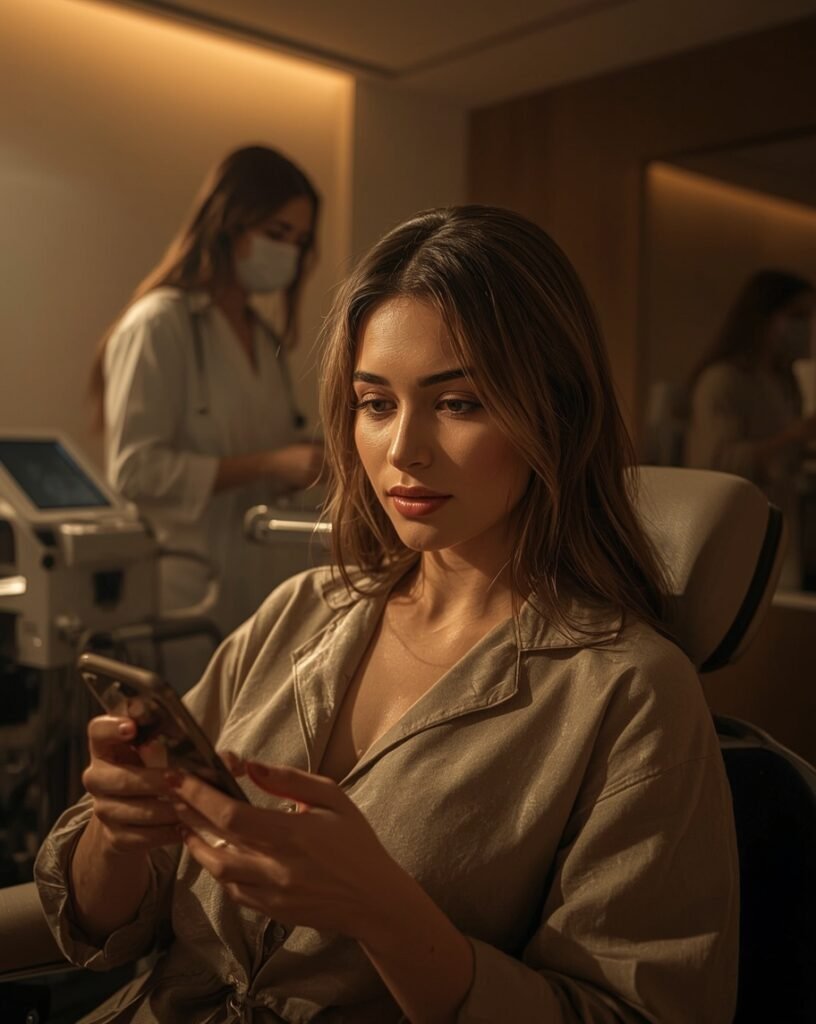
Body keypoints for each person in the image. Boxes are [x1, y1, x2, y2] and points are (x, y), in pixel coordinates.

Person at [37, 206, 739, 1022]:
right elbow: (102, 922)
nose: (404, 449)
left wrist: (382, 913)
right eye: (376, 404)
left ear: (557, 410)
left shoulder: (631, 694)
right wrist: (120, 836)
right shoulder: (301, 611)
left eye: (460, 402)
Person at [88, 145, 324, 681]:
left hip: (259, 588)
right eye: (276, 232)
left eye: (299, 240)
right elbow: (135, 470)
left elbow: (275, 438)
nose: (286, 252)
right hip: (189, 597)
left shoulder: (263, 339)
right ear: (229, 222)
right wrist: (269, 464)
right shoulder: (159, 324)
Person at [684, 269, 816, 588]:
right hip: (737, 532)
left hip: (781, 526)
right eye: (797, 316)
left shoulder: (785, 382)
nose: (805, 327)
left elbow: (786, 463)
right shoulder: (723, 380)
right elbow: (715, 465)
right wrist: (794, 435)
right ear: (764, 317)